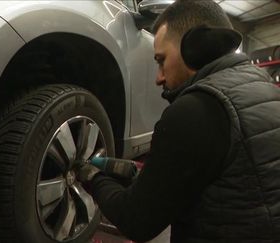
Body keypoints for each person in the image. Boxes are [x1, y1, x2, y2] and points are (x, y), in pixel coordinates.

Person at [76, 0, 280, 242]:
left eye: (161, 60)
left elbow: (135, 221)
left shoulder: (195, 110)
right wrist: (135, 176)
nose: (158, 78)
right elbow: (213, 178)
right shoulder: (265, 87)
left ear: (194, 48)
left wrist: (91, 177)